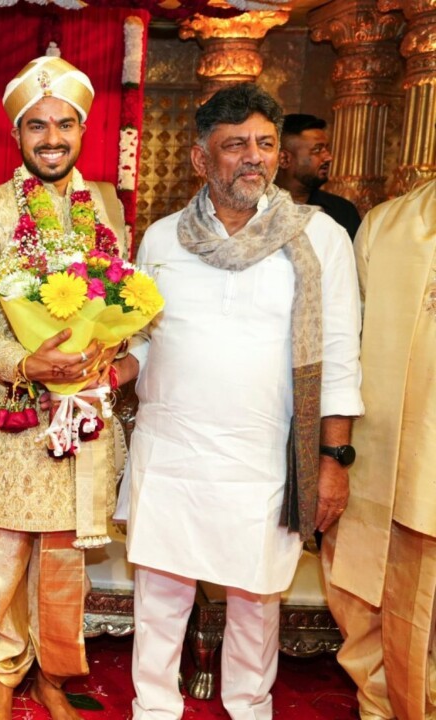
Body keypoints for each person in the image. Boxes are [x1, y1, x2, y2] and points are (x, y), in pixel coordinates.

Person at [121, 84, 363, 720]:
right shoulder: (163, 238)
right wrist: (99, 371)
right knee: (160, 589)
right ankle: (153, 708)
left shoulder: (320, 238)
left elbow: (339, 355)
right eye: (236, 145)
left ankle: (250, 707)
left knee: (257, 595)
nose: (254, 157)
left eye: (265, 144)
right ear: (201, 158)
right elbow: (144, 338)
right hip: (171, 446)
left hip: (263, 451)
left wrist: (333, 457)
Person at [0, 53, 127, 719]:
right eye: (37, 125)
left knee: (63, 559)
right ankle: (3, 674)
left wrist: (110, 345)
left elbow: (124, 296)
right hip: (12, 412)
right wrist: (26, 365)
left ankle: (53, 676)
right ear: (16, 134)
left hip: (82, 413)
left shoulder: (104, 208)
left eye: (65, 124)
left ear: (82, 130)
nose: (53, 138)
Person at [323, 178, 436, 720]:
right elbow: (346, 340)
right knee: (360, 583)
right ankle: (379, 706)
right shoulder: (387, 223)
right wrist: (334, 452)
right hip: (377, 450)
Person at [275, 113, 361, 238]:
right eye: (317, 150)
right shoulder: (254, 208)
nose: (328, 157)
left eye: (326, 149)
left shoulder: (343, 211)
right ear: (284, 159)